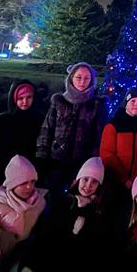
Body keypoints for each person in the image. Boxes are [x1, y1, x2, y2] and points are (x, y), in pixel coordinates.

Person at [49, 156, 114, 272]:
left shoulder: (99, 209)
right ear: (78, 179)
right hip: (59, 263)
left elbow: (98, 243)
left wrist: (85, 216)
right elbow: (53, 234)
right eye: (85, 179)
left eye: (94, 182)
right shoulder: (64, 201)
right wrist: (74, 230)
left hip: (83, 269)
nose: (88, 185)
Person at [36, 62, 108, 193]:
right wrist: (42, 156)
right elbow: (47, 129)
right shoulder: (59, 101)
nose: (82, 82)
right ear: (71, 78)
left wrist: (92, 162)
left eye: (86, 78)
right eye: (78, 77)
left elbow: (99, 136)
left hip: (82, 163)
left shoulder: (97, 105)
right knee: (54, 195)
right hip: (56, 160)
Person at [0, 156, 47, 272]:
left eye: (32, 182)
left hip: (22, 251)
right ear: (12, 185)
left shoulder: (40, 203)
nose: (29, 187)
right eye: (23, 183)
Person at [0, 80, 43, 200]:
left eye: (29, 97)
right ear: (13, 98)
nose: (25, 102)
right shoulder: (1, 121)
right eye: (20, 98)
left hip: (29, 177)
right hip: (2, 175)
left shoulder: (39, 120)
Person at [100, 88, 137, 193]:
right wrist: (124, 179)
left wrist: (136, 178)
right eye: (133, 101)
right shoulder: (113, 125)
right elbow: (107, 154)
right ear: (126, 103)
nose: (136, 104)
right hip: (114, 180)